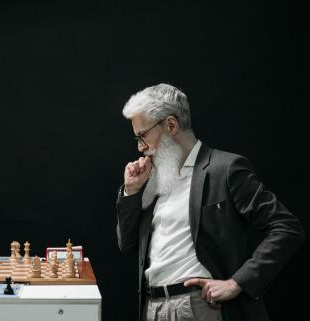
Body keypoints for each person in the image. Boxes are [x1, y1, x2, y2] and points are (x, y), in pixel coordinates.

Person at [116, 84, 305, 321]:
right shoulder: (153, 179)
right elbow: (127, 245)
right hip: (152, 308)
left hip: (200, 308)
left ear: (171, 125)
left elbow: (287, 228)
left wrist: (238, 282)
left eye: (142, 135)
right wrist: (131, 192)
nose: (140, 147)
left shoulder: (225, 169)